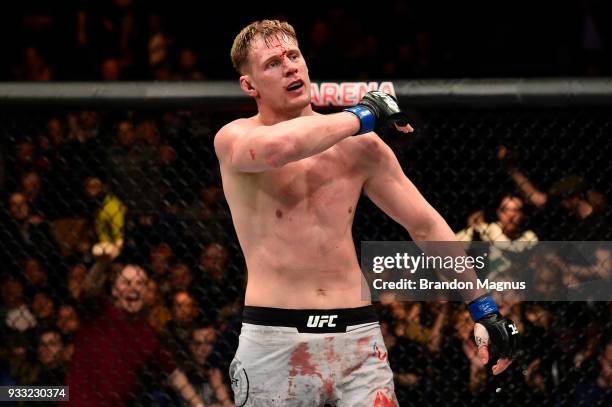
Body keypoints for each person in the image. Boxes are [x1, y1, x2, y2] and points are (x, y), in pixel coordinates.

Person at [215, 20, 519, 406]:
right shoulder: (234, 139)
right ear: (249, 85)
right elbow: (281, 149)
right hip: (274, 340)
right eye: (273, 63)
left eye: (294, 55)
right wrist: (362, 115)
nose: (290, 66)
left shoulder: (358, 146)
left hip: (358, 342)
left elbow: (424, 225)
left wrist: (483, 307)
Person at [64, 248, 205, 407]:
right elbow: (89, 288)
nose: (133, 288)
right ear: (115, 291)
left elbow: (173, 373)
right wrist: (101, 264)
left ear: (146, 293)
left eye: (140, 283)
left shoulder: (148, 335)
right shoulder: (99, 310)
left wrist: (199, 405)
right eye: (126, 282)